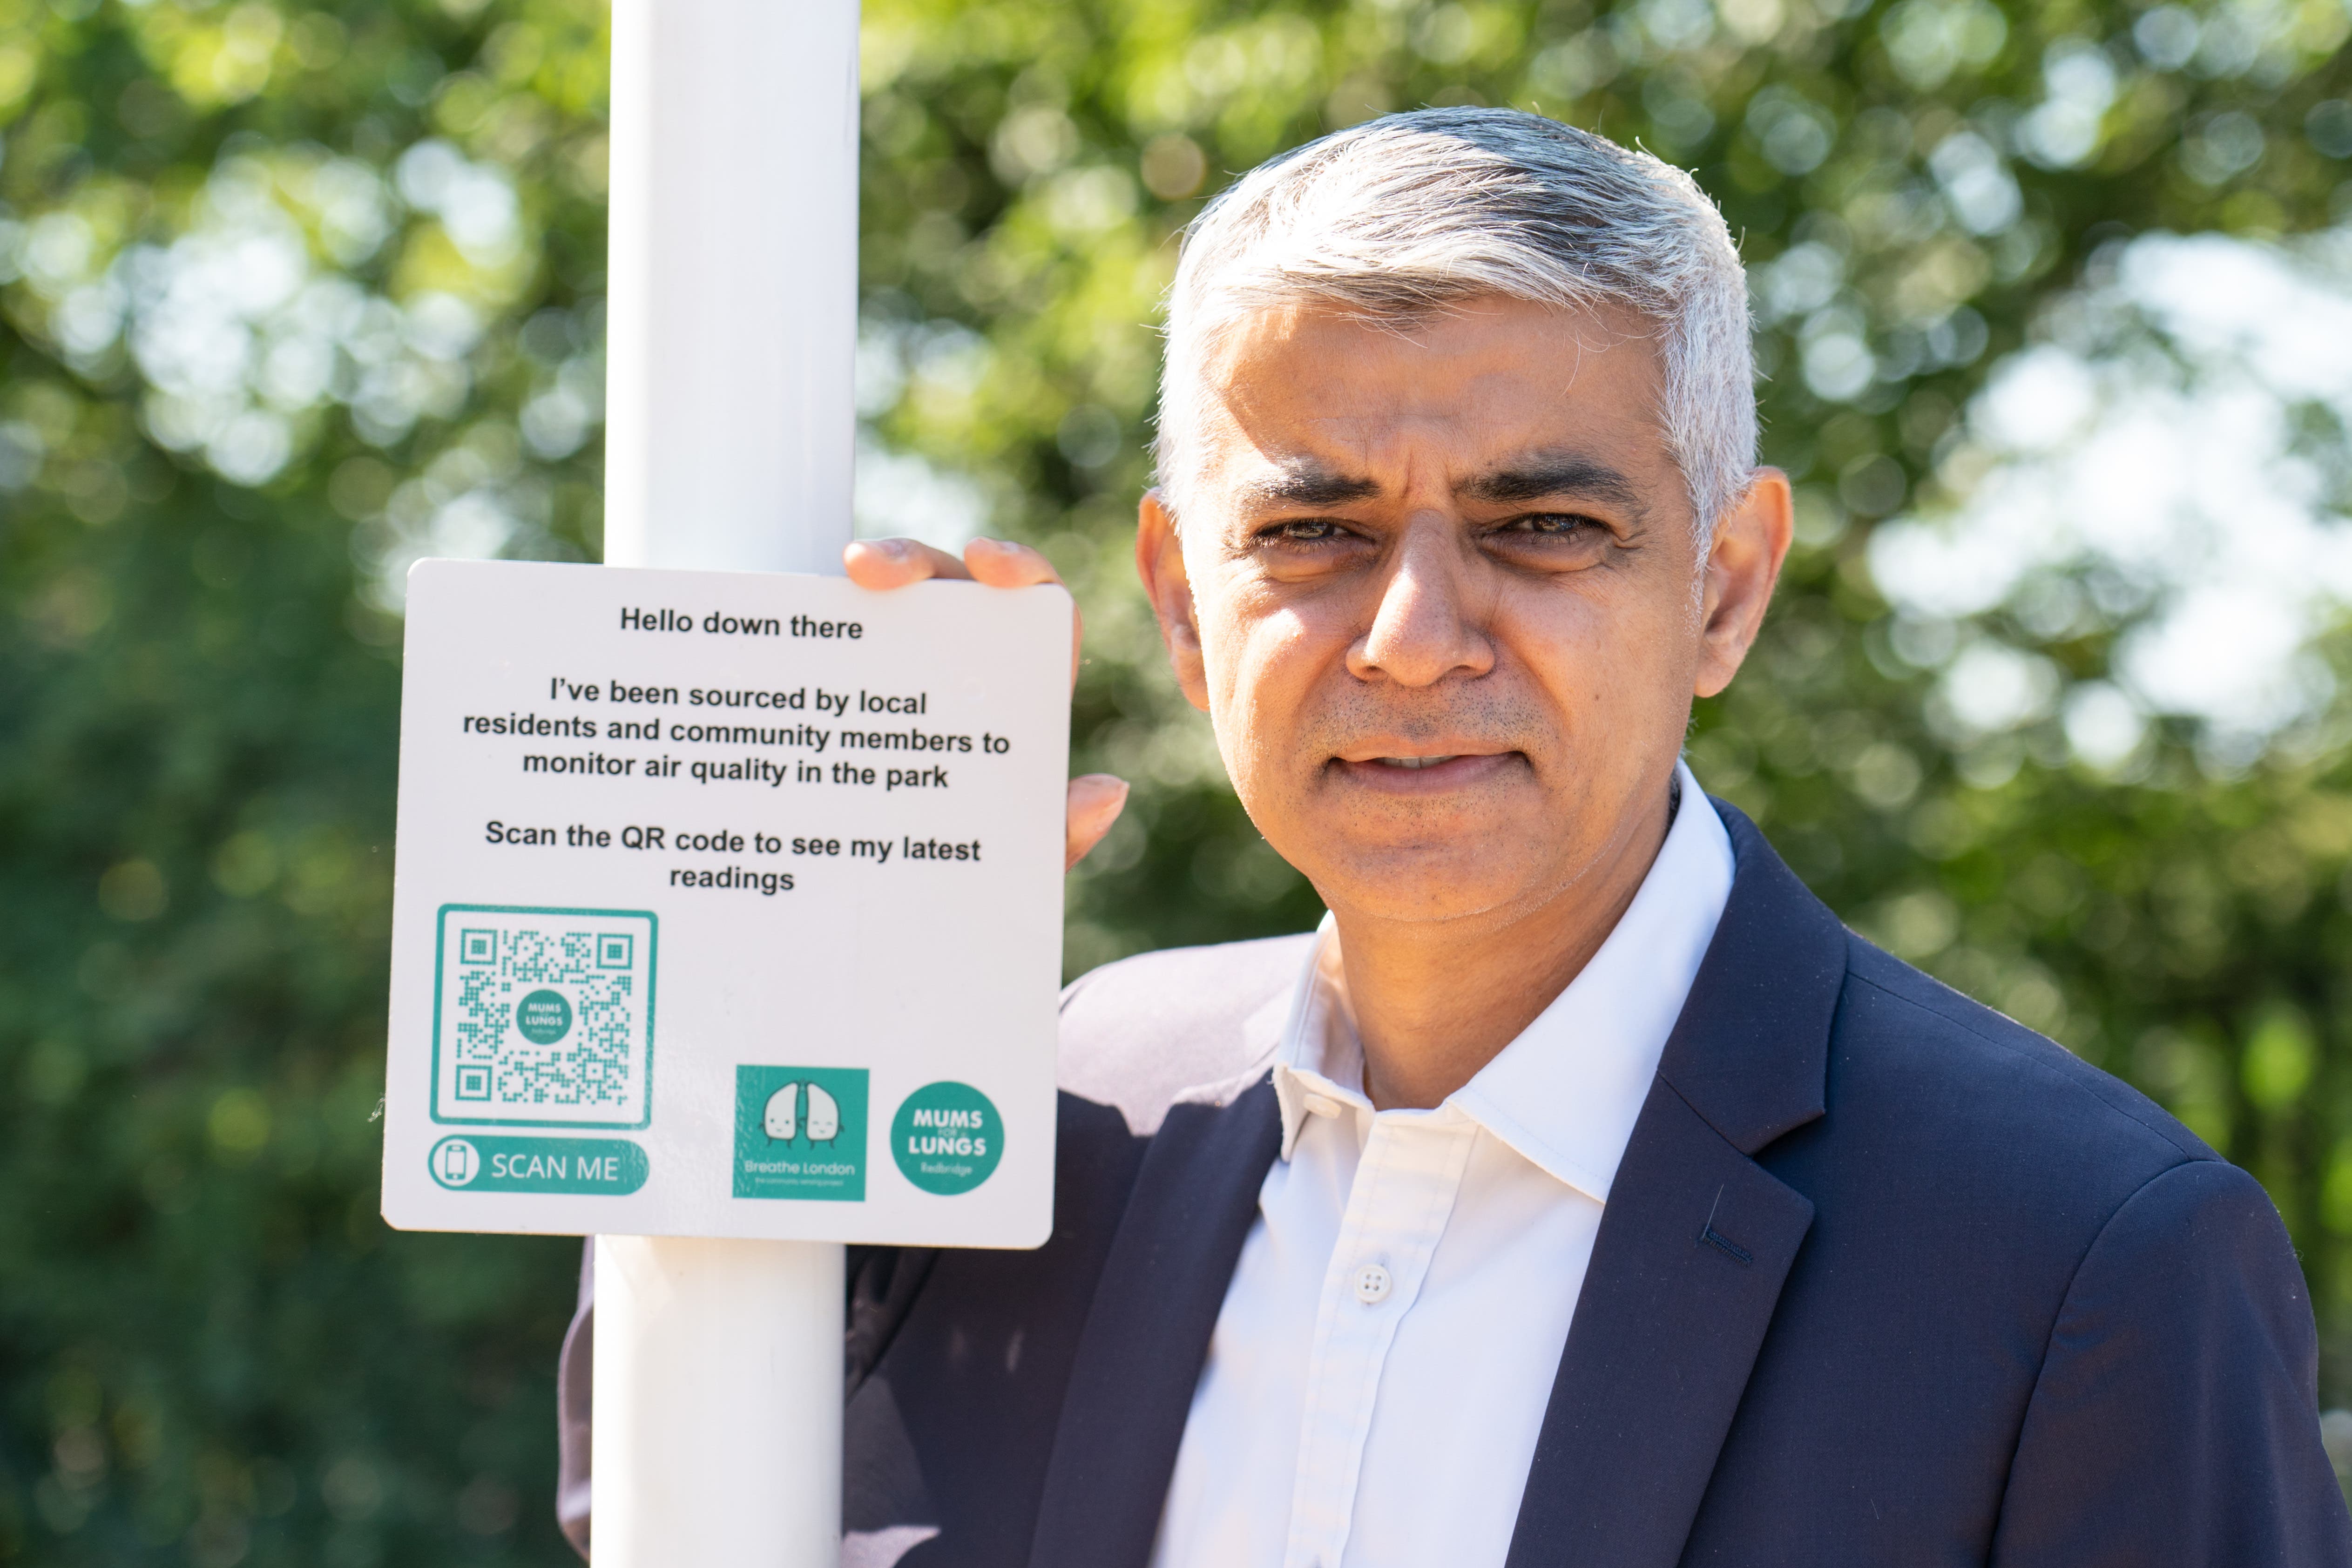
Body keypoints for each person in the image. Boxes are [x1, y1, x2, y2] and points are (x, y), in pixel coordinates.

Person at [558, 108, 2352, 1567]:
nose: (1414, 633)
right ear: (1185, 605)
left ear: (1723, 587)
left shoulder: (2086, 1264)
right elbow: (661, 1510)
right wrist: (798, 970)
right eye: (1314, 534)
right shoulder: (1018, 1125)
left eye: (1545, 524)